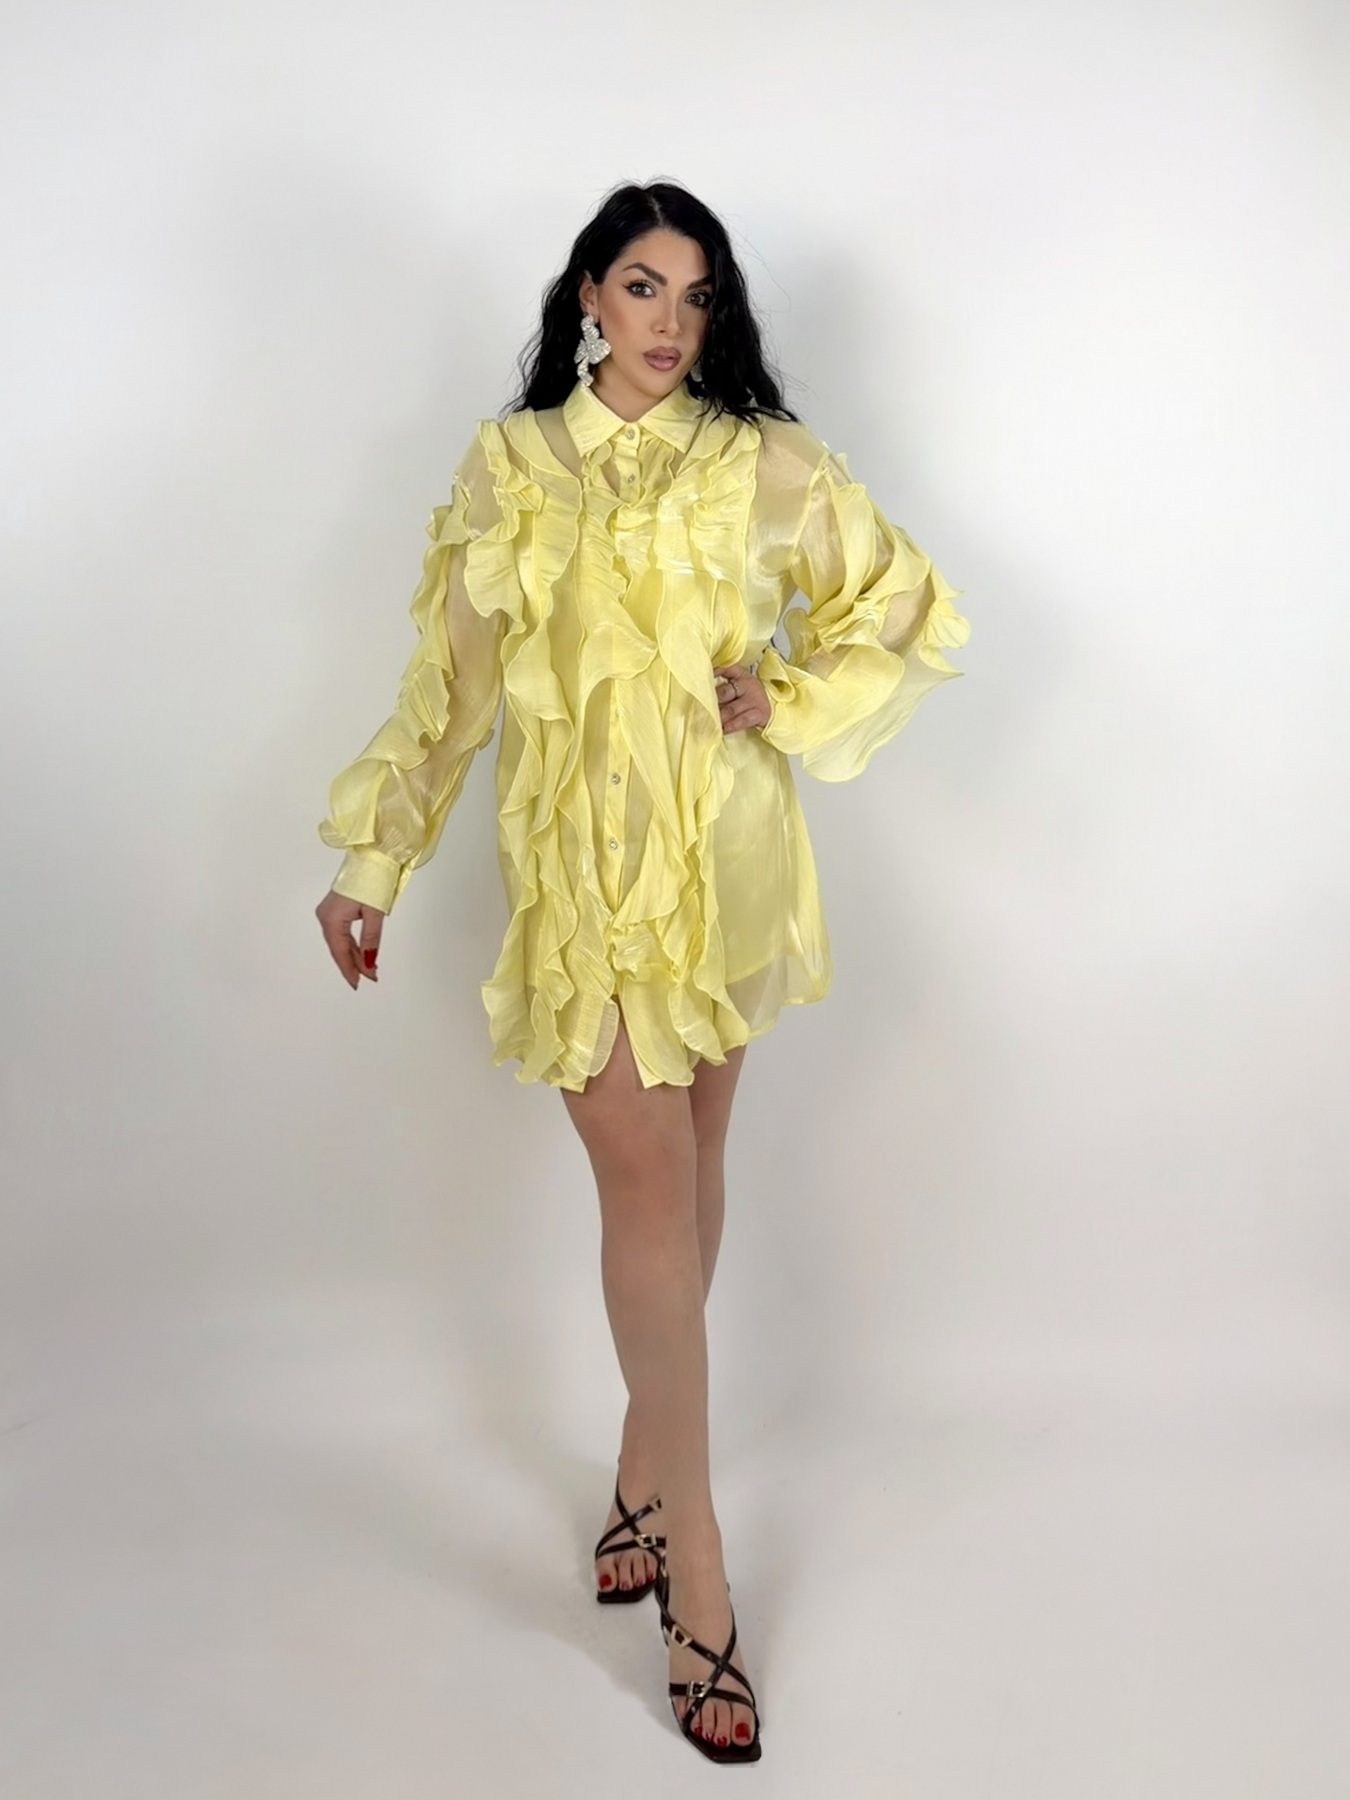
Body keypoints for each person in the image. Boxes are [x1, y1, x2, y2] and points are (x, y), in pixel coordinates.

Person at [315, 179, 968, 1765]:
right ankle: (700, 1569)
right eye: (641, 285)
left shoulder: (762, 463)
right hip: (577, 884)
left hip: (723, 869)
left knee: (690, 1171)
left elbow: (904, 608)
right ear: (586, 300)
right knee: (647, 1194)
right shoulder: (509, 470)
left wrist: (783, 695)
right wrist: (372, 859)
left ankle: (636, 1476)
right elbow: (450, 690)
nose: (671, 321)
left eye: (697, 294)